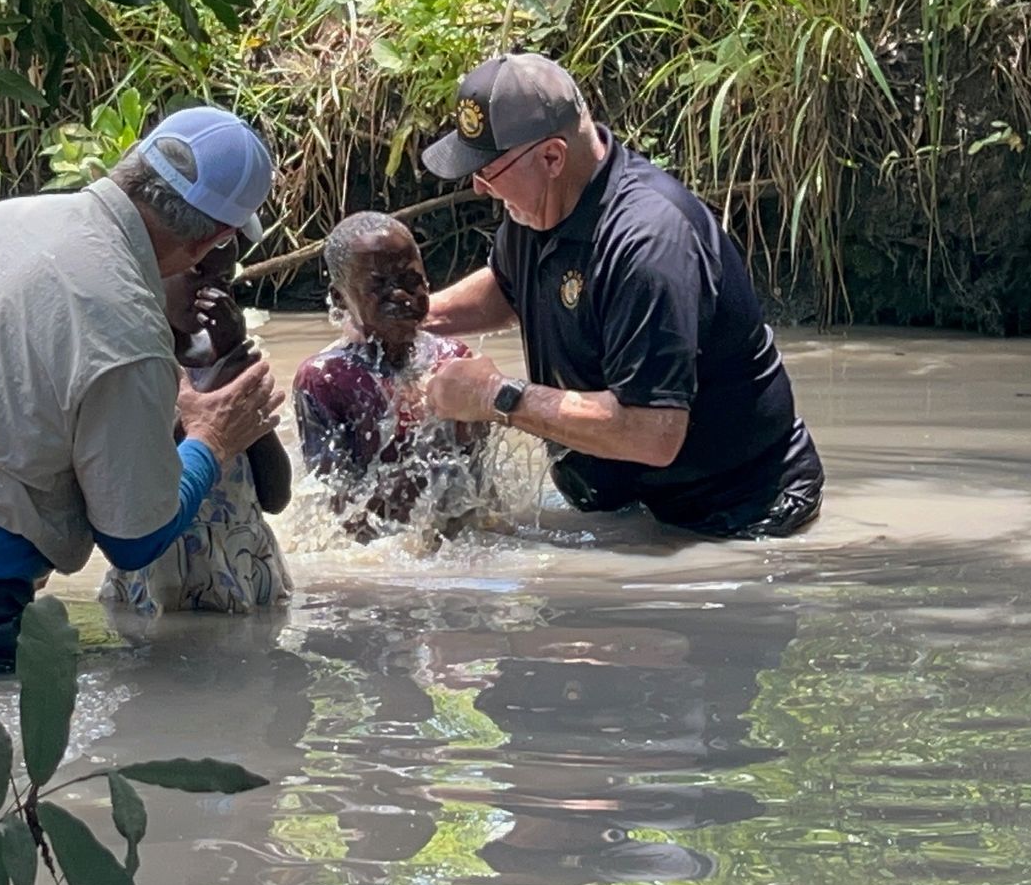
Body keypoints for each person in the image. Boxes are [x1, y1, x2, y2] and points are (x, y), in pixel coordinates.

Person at [0, 105, 286, 674]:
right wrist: (211, 440)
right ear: (214, 239)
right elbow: (135, 539)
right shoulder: (127, 330)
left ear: (130, 165)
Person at [418, 52, 824, 539]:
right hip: (628, 508)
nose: (479, 189)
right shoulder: (539, 206)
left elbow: (653, 434)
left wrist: (496, 397)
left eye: (488, 171)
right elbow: (509, 286)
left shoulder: (650, 245)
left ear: (551, 157)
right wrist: (415, 317)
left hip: (735, 520)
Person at [102, 239, 292, 615]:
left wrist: (233, 364)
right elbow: (141, 474)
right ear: (154, 269)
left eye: (224, 279)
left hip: (241, 562)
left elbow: (276, 495)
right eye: (198, 273)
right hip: (160, 567)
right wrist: (214, 388)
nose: (212, 291)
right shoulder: (133, 359)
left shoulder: (228, 355)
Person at [292, 212, 491, 539]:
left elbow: (478, 485)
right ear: (340, 298)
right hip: (383, 546)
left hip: (457, 540)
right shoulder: (325, 380)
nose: (400, 295)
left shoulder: (454, 360)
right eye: (379, 286)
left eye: (411, 280)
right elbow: (333, 504)